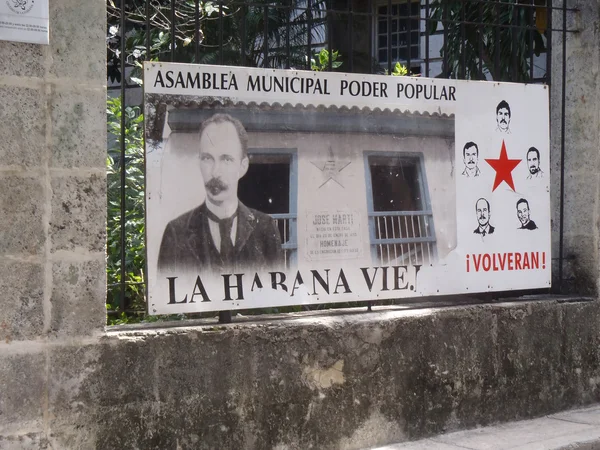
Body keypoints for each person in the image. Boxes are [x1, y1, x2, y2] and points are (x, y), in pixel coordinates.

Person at [157, 113, 284, 273]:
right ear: (199, 162)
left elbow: (278, 291)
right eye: (207, 158)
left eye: (226, 159)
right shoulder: (175, 233)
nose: (215, 172)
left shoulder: (266, 229)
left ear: (243, 166)